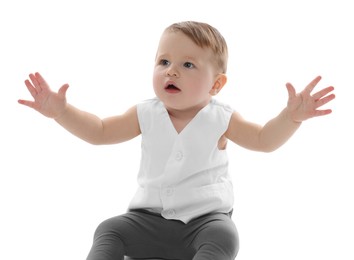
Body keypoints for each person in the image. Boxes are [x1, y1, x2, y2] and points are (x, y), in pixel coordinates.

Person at [18, 21, 335, 260]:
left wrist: (291, 117)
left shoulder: (221, 118)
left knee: (225, 236)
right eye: (164, 62)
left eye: (188, 65)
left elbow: (264, 140)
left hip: (203, 222)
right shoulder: (146, 113)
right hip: (146, 220)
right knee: (109, 229)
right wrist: (62, 112)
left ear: (216, 84)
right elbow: (99, 131)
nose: (172, 72)